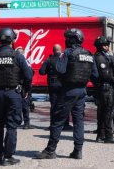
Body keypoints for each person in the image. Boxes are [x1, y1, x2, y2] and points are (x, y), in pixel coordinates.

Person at [35, 28, 98, 160]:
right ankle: (78, 151)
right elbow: (95, 75)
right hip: (82, 91)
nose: (65, 40)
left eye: (67, 38)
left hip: (68, 90)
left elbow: (60, 69)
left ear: (71, 39)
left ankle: (50, 151)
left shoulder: (68, 52)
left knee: (58, 119)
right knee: (78, 121)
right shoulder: (89, 54)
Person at [0, 27, 33, 166]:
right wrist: (26, 90)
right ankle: (9, 156)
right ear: (12, 40)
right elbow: (29, 75)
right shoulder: (18, 56)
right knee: (11, 125)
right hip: (13, 94)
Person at [93, 36, 114, 144]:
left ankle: (101, 135)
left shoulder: (104, 56)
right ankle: (108, 136)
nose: (107, 46)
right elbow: (105, 75)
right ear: (100, 46)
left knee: (103, 112)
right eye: (105, 45)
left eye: (107, 45)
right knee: (107, 112)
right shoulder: (100, 58)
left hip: (106, 87)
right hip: (106, 87)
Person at [39, 44, 72, 130]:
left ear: (53, 50)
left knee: (54, 105)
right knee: (64, 104)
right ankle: (65, 124)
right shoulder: (65, 59)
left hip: (53, 84)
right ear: (60, 50)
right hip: (63, 84)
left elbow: (41, 72)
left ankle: (53, 124)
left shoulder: (49, 59)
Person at [15, 46, 34, 129]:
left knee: (14, 104)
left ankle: (15, 121)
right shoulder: (25, 62)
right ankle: (26, 123)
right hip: (23, 85)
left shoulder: (13, 61)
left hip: (13, 85)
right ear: (23, 53)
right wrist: (28, 89)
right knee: (25, 104)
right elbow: (29, 75)